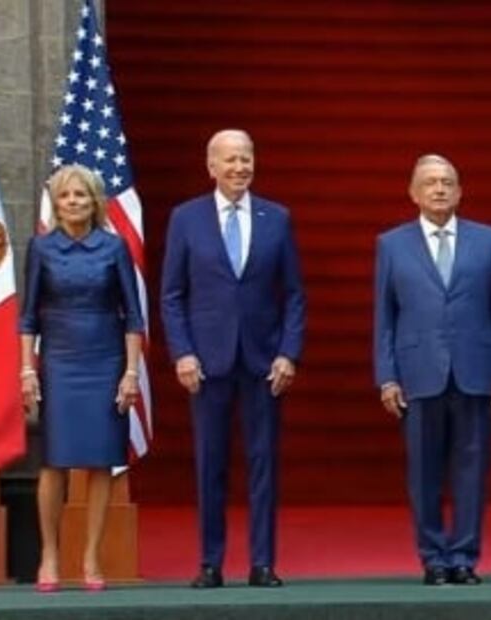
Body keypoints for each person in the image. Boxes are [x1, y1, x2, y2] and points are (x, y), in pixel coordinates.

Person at [160, 129, 306, 589]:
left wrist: (288, 353)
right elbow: (172, 295)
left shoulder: (276, 218)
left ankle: (262, 562)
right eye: (231, 160)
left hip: (264, 362)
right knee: (211, 463)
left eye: (246, 159)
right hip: (207, 360)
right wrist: (182, 352)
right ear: (211, 167)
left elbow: (296, 295)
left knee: (264, 463)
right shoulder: (187, 219)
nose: (240, 167)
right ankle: (210, 562)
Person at [373, 154, 491, 586]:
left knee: (472, 469)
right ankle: (433, 556)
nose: (439, 189)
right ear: (413, 193)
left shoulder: (488, 240)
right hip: (419, 370)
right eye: (431, 183)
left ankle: (465, 557)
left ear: (460, 191)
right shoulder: (392, 244)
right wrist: (387, 375)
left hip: (475, 367)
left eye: (448, 182)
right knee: (424, 471)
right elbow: (385, 316)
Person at [19, 164, 144, 592]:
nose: (72, 202)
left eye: (80, 195)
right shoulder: (41, 248)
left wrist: (130, 373)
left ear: (95, 201)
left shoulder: (114, 248)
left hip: (106, 361)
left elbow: (133, 315)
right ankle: (49, 555)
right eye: (64, 196)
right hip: (59, 363)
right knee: (54, 462)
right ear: (55, 203)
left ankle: (91, 556)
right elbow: (28, 316)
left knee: (99, 461)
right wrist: (26, 370)